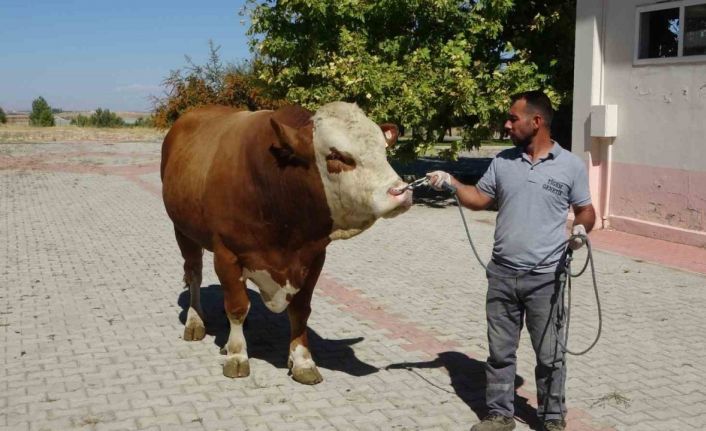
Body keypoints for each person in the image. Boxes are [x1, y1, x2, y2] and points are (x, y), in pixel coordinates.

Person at [427, 90, 596, 431]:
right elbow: (479, 199)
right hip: (502, 274)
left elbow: (586, 210)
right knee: (500, 353)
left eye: (512, 118)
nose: (506, 125)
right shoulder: (503, 162)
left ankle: (551, 418)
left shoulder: (570, 166)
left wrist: (580, 230)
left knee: (550, 355)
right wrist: (451, 182)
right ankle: (500, 415)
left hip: (546, 279)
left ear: (536, 122)